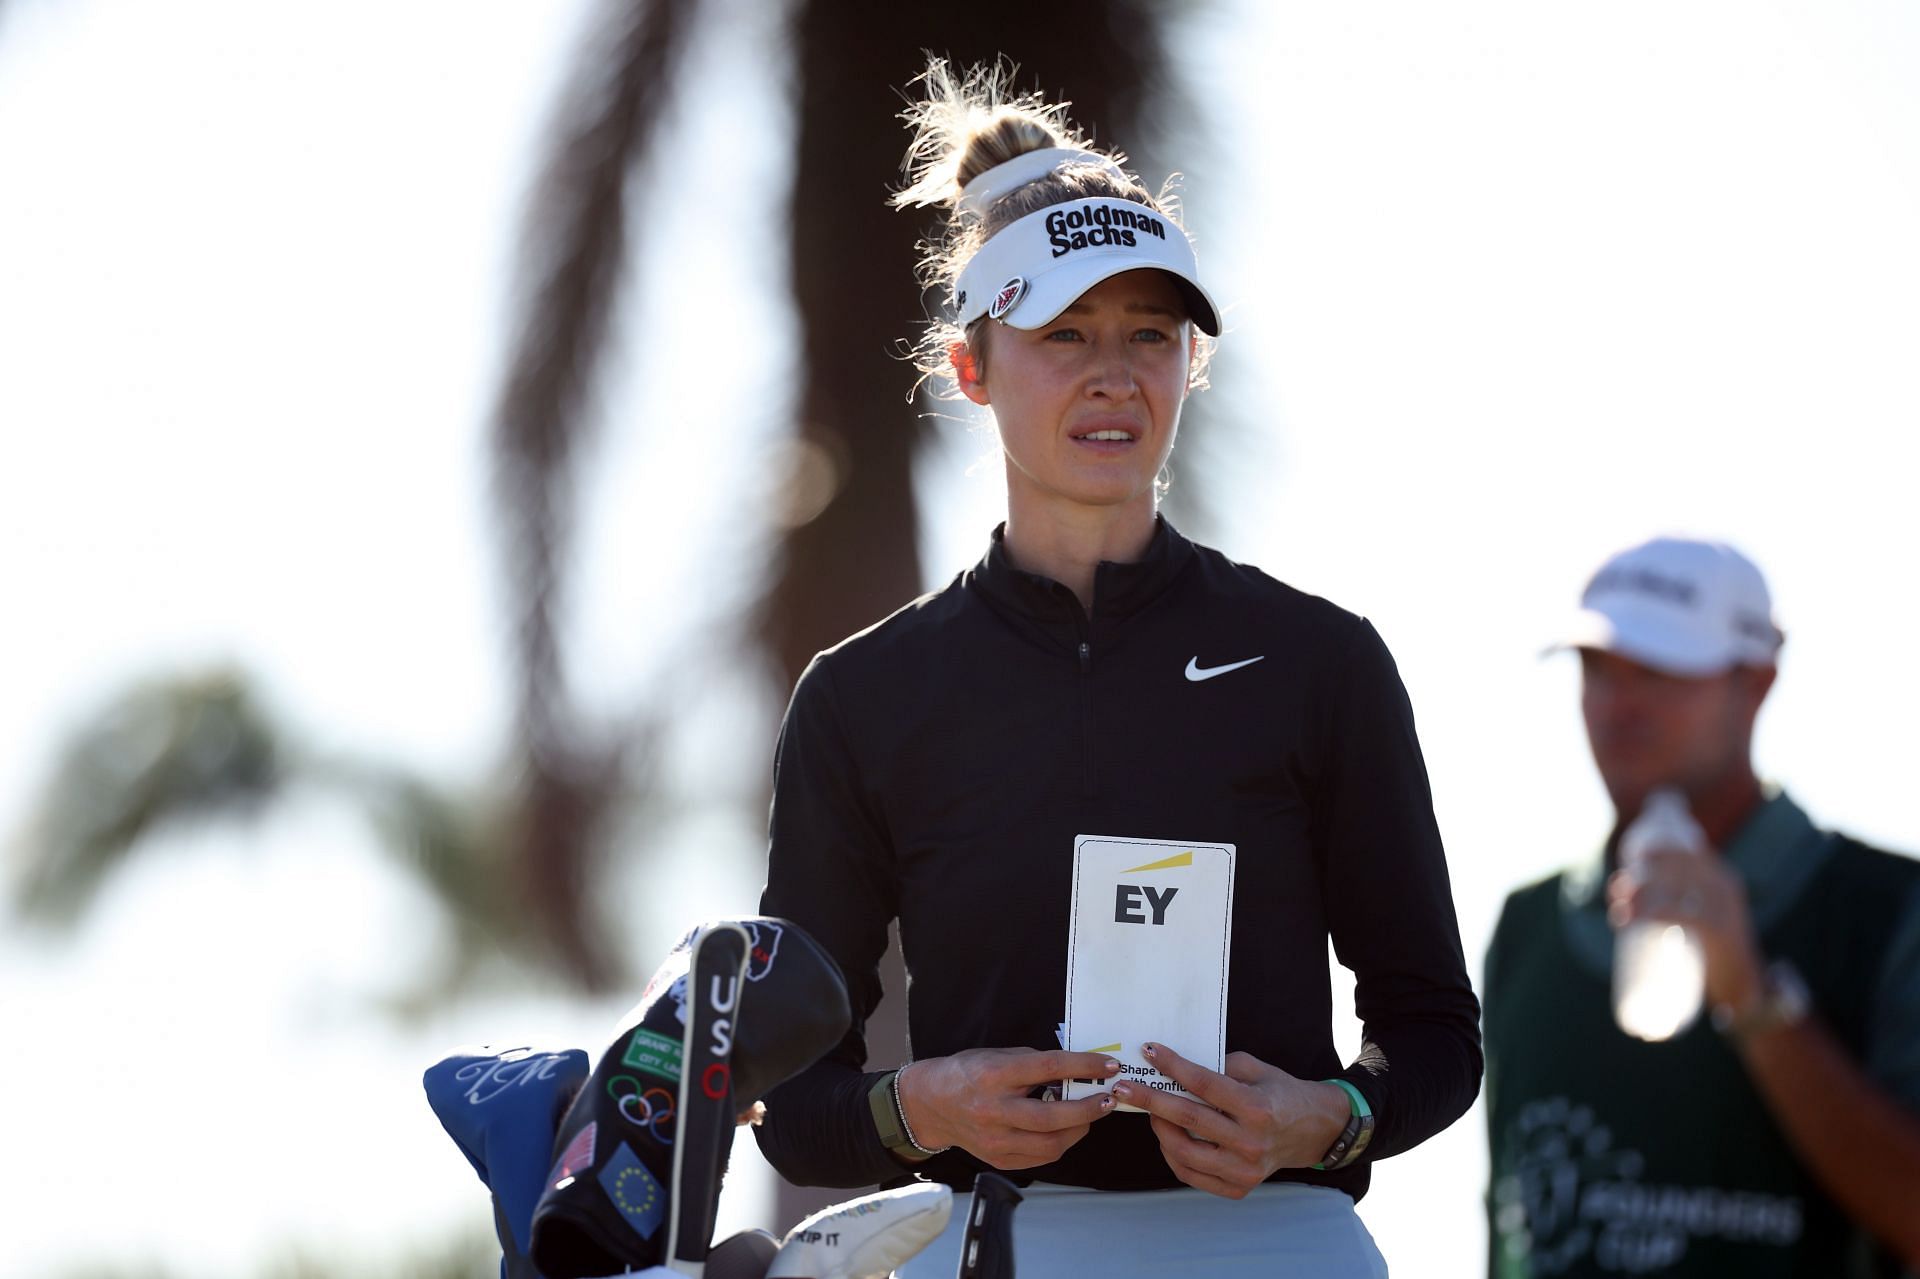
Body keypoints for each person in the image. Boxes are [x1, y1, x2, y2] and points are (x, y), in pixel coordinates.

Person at [752, 59, 1482, 1276]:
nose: (1113, 374)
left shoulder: (1322, 661)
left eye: (1150, 335)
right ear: (971, 367)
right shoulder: (863, 696)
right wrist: (921, 1109)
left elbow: (1437, 1036)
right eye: (1064, 334)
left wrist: (1329, 1115)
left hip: (1280, 1243)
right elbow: (793, 1096)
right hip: (991, 1242)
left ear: (1189, 367)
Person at [1484, 536, 1920, 1276]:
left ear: (1755, 683)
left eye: (1657, 670)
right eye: (1597, 668)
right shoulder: (1529, 926)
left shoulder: (1890, 910)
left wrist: (1752, 999)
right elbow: (1513, 1226)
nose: (1618, 703)